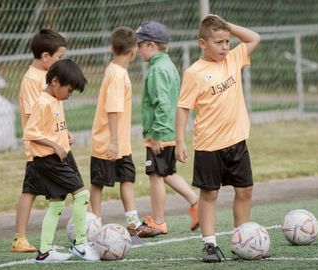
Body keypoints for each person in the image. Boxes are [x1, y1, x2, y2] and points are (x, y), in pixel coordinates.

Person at [175, 15, 260, 262]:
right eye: (219, 42)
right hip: (209, 145)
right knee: (209, 194)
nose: (225, 46)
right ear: (203, 43)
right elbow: (183, 108)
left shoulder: (233, 58)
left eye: (227, 41)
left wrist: (227, 25)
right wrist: (179, 141)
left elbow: (255, 38)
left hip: (237, 141)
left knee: (245, 190)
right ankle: (209, 244)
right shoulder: (194, 73)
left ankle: (241, 239)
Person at [24, 59, 100, 263]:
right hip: (49, 159)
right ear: (56, 81)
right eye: (70, 89)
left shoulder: (56, 100)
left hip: (58, 157)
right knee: (82, 194)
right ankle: (80, 243)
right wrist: (54, 145)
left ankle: (45, 252)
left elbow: (51, 126)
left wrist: (64, 135)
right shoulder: (43, 102)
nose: (70, 94)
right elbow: (30, 132)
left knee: (57, 204)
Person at [89, 26, 159, 238]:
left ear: (112, 47)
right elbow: (112, 109)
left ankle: (132, 222)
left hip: (122, 144)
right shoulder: (117, 75)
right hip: (108, 142)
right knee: (99, 183)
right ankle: (94, 225)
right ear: (134, 52)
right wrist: (113, 141)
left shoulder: (117, 70)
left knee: (127, 178)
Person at [136, 21, 199, 235]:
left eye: (140, 45)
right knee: (168, 172)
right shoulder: (168, 65)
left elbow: (162, 104)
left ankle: (158, 221)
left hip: (160, 134)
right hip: (169, 133)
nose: (137, 49)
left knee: (155, 175)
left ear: (152, 45)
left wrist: (154, 134)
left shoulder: (156, 70)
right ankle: (194, 201)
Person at [12, 29, 67, 253]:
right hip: (38, 150)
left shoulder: (46, 78)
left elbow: (53, 113)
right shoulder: (31, 81)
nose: (61, 62)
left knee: (58, 193)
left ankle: (49, 239)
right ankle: (20, 238)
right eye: (59, 57)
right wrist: (51, 141)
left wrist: (65, 131)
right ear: (46, 57)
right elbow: (35, 118)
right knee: (31, 191)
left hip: (52, 147)